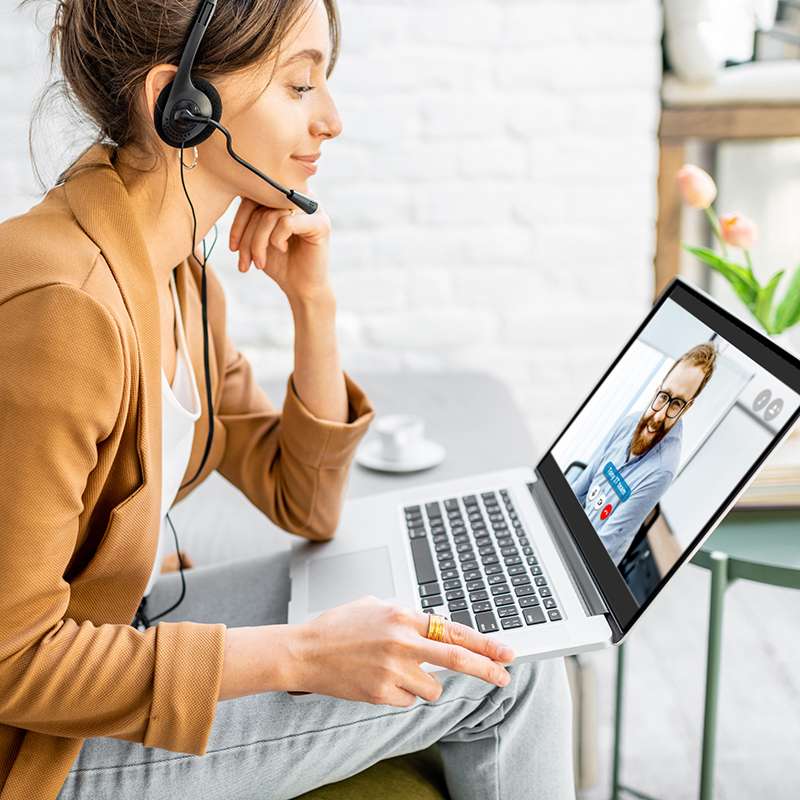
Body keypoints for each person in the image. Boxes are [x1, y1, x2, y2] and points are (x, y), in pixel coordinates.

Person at [0, 2, 576, 798]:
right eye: (300, 84)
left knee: (471, 628)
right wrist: (302, 654)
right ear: (182, 103)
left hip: (107, 642)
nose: (331, 119)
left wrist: (315, 307)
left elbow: (303, 501)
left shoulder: (175, 273)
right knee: (500, 675)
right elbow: (13, 660)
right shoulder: (67, 307)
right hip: (34, 751)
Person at [568, 343, 717, 566]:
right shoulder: (630, 422)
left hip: (591, 561)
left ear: (688, 407)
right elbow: (582, 485)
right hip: (574, 532)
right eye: (664, 396)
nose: (659, 416)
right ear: (658, 388)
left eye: (677, 404)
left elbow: (606, 544)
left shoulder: (662, 469)